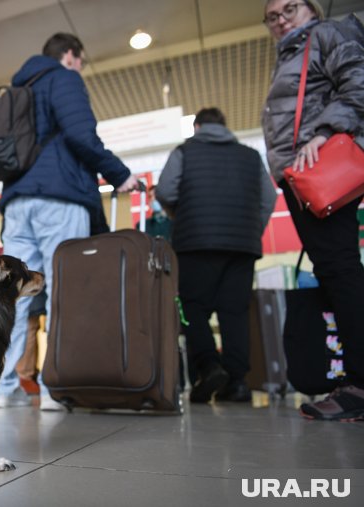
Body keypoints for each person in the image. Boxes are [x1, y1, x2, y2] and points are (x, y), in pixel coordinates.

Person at [0, 33, 138, 410]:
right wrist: (120, 174)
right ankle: (58, 387)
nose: (80, 67)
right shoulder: (64, 78)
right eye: (81, 61)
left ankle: (1, 388)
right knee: (63, 293)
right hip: (60, 199)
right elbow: (80, 135)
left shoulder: (16, 90)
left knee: (14, 296)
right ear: (71, 55)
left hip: (17, 203)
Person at [261, 0, 364, 420]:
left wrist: (324, 132)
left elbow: (358, 83)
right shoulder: (293, 51)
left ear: (312, 8)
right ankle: (354, 380)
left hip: (319, 172)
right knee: (335, 270)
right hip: (301, 177)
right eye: (272, 15)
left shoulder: (326, 34)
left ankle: (359, 385)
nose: (281, 18)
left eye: (290, 8)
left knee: (340, 270)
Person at [156, 108, 277, 403]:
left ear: (197, 126)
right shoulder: (250, 156)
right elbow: (269, 198)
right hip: (241, 247)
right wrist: (250, 231)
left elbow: (165, 191)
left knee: (193, 308)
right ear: (225, 126)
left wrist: (179, 213)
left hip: (196, 243)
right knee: (234, 313)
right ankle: (237, 383)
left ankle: (209, 367)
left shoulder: (184, 152)